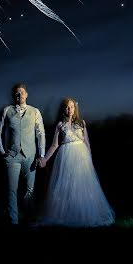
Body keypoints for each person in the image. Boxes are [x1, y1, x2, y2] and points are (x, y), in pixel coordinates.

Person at [39, 97, 115, 227]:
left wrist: (89, 160)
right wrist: (45, 159)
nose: (69, 109)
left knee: (82, 185)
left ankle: (84, 214)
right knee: (68, 186)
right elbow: (54, 145)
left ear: (75, 108)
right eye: (67, 107)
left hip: (81, 157)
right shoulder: (60, 125)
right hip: (66, 156)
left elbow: (87, 142)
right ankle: (69, 214)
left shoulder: (81, 123)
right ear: (63, 109)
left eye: (72, 107)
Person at [0, 82, 46, 225]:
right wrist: (2, 151)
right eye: (17, 93)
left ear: (26, 95)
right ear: (13, 96)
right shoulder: (6, 110)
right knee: (11, 190)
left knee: (30, 190)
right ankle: (14, 221)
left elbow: (40, 133)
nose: (19, 95)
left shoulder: (35, 111)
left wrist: (41, 154)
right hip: (12, 157)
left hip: (30, 156)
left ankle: (29, 219)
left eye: (22, 92)